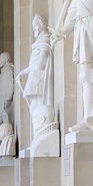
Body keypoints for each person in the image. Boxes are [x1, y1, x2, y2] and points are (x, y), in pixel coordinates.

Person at [17, 13, 57, 149]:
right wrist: (23, 73)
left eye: (35, 25)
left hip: (39, 80)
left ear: (40, 25)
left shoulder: (44, 39)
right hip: (35, 78)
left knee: (37, 109)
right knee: (34, 109)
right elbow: (33, 64)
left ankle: (38, 136)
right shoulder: (40, 41)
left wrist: (33, 70)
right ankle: (36, 137)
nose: (33, 28)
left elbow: (42, 60)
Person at [0, 52, 16, 152]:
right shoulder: (4, 72)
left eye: (0, 59)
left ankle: (5, 146)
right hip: (2, 100)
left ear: (5, 59)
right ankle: (0, 146)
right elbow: (3, 87)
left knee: (4, 123)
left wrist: (8, 99)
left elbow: (10, 86)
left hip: (5, 101)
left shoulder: (8, 71)